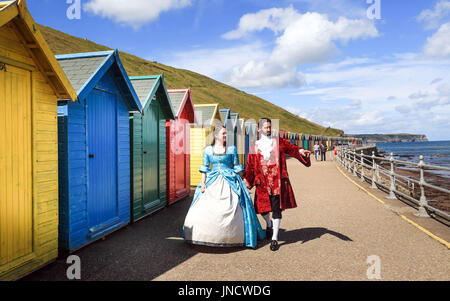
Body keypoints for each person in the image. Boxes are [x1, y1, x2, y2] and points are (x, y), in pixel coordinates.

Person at [182, 125, 265, 249]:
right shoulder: (208, 150)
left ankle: (234, 236)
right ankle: (202, 236)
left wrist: (243, 180)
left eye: (227, 134)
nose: (226, 136)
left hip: (230, 179)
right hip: (212, 179)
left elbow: (236, 166)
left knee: (236, 205)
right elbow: (204, 168)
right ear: (216, 135)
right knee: (203, 209)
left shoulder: (232, 149)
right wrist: (203, 184)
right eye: (224, 134)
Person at [243, 118, 311, 251]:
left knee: (276, 209)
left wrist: (301, 151)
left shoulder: (278, 142)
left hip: (277, 182)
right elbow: (250, 165)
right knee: (262, 210)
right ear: (259, 129)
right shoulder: (254, 146)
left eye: (269, 127)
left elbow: (292, 149)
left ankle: (274, 238)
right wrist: (248, 180)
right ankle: (268, 224)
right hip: (262, 182)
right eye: (265, 127)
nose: (268, 130)